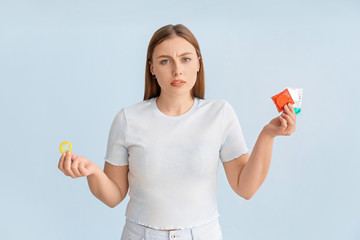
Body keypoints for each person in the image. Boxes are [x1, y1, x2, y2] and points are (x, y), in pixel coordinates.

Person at [58, 24, 297, 240]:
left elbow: (246, 188)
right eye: (165, 61)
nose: (177, 70)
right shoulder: (127, 119)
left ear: (198, 64)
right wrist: (92, 172)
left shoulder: (220, 114)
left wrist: (267, 136)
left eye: (185, 59)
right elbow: (114, 196)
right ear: (152, 68)